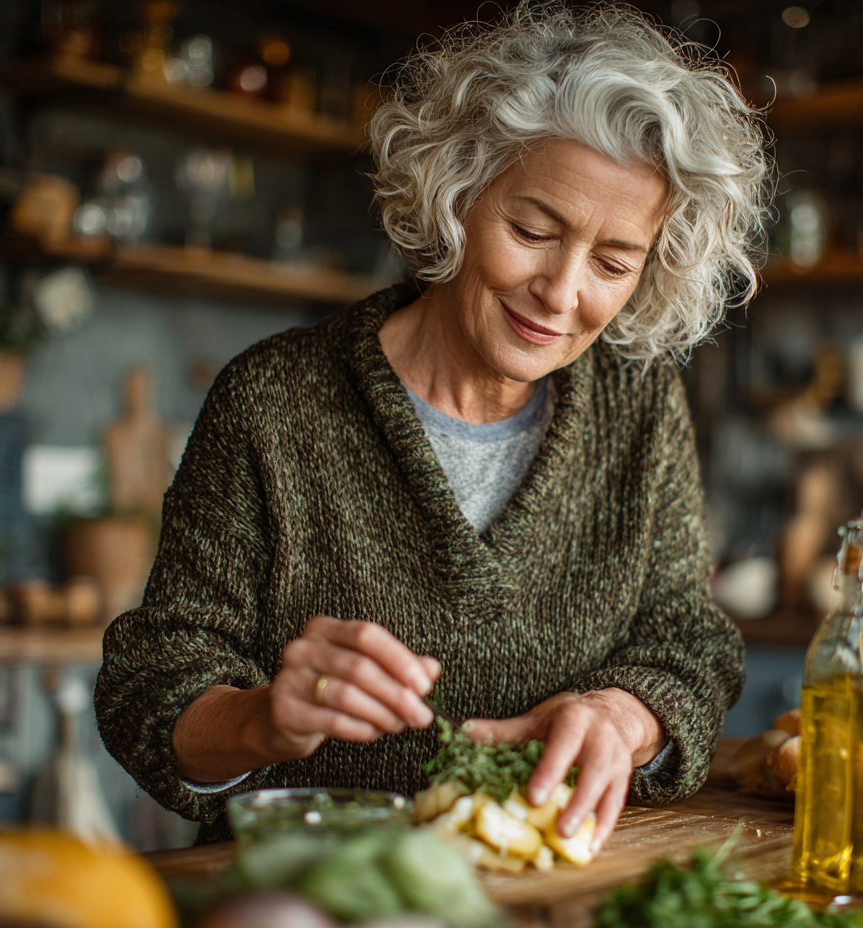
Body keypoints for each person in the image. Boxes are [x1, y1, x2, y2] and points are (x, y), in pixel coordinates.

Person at [95, 2, 770, 848]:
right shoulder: (277, 400)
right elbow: (150, 685)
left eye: (612, 262)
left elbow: (687, 639)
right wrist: (266, 717)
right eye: (532, 230)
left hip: (557, 889)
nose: (561, 294)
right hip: (320, 894)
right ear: (457, 193)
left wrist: (622, 716)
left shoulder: (638, 403)